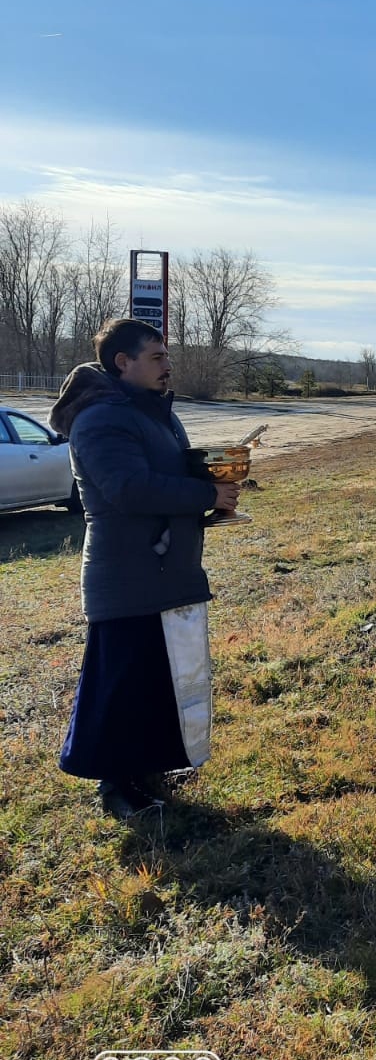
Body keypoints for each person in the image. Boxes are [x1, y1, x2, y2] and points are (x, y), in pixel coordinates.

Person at [49, 318, 240, 820]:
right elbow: (128, 490)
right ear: (122, 362)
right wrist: (205, 493)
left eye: (166, 356)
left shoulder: (154, 413)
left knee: (158, 679)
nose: (168, 366)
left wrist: (214, 489)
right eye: (156, 357)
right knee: (120, 685)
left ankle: (146, 768)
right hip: (128, 575)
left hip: (164, 572)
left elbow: (165, 474)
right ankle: (116, 786)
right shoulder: (99, 418)